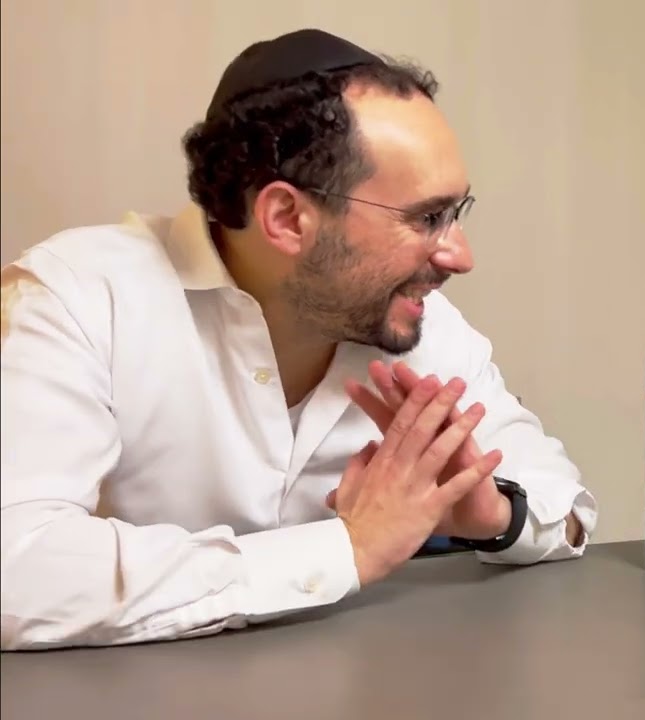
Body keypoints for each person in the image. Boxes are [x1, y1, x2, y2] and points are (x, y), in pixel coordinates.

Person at [0, 29, 597, 651]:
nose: (460, 256)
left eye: (456, 213)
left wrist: (495, 514)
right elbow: (14, 569)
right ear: (286, 218)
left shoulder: (420, 324)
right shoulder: (74, 298)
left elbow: (570, 505)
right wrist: (348, 549)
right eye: (427, 218)